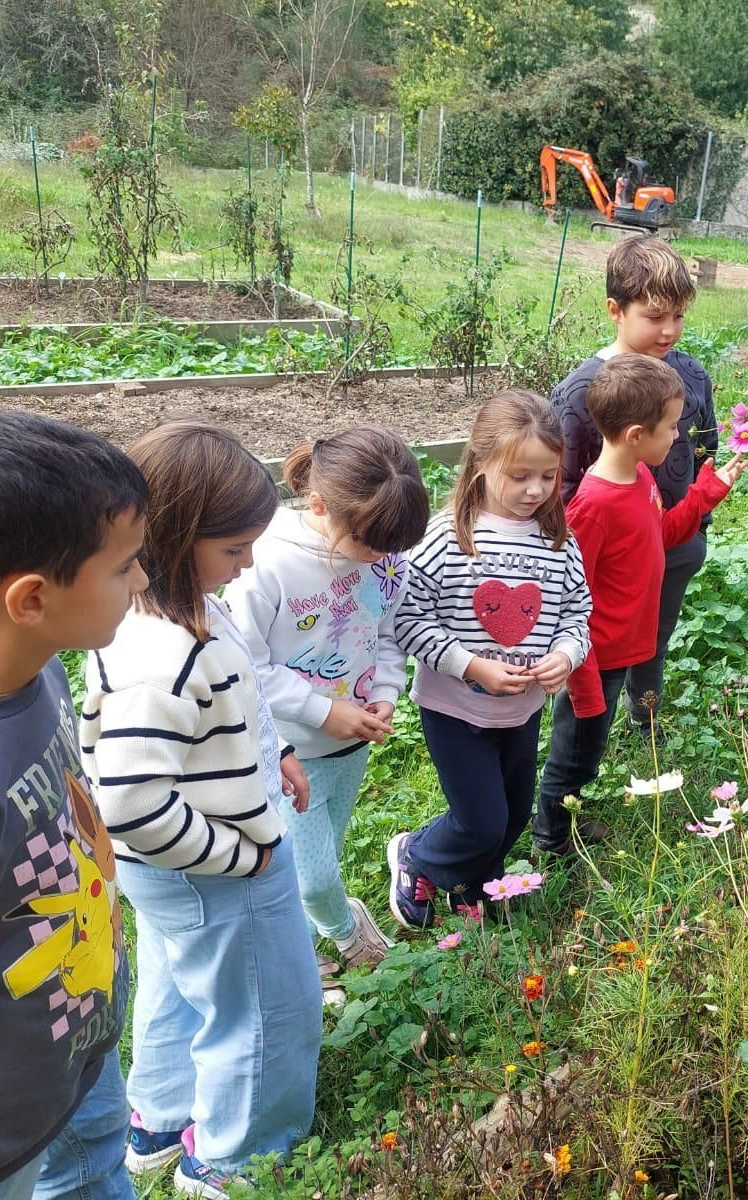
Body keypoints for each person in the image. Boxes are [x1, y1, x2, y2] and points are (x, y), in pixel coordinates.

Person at [81, 423, 321, 1200]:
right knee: (263, 1007)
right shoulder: (172, 656)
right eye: (234, 547)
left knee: (181, 982)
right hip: (215, 868)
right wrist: (234, 856)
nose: (248, 561)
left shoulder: (165, 616)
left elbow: (233, 709)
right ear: (179, 537)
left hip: (180, 873)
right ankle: (237, 1151)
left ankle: (158, 1116)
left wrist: (275, 749)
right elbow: (128, 802)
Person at [0, 410, 145, 1200]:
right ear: (30, 598)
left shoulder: (41, 665)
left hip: (72, 1056)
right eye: (124, 567)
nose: (143, 583)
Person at [227, 426, 429, 997]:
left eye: (393, 548)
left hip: (353, 741)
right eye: (371, 546)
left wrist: (385, 693)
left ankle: (297, 940)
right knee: (310, 874)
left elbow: (387, 634)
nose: (384, 558)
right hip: (291, 747)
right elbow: (246, 665)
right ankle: (345, 935)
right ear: (318, 505)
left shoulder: (387, 555)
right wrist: (322, 711)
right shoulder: (266, 564)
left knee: (324, 855)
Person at [387, 390, 592, 930]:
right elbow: (407, 619)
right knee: (481, 821)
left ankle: (473, 893)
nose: (535, 490)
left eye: (548, 476)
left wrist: (565, 654)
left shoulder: (558, 542)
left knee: (512, 815)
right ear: (479, 464)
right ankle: (416, 855)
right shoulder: (447, 539)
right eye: (520, 474)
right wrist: (470, 666)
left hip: (520, 713)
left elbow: (577, 612)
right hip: (454, 709)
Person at [534, 354, 743, 857]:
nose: (677, 437)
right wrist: (582, 681)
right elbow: (566, 600)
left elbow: (664, 534)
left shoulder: (640, 480)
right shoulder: (595, 506)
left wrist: (707, 492)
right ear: (634, 434)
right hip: (595, 657)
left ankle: (564, 816)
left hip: (623, 648)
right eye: (670, 427)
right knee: (577, 751)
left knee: (591, 746)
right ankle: (551, 835)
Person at [550, 237, 717, 737]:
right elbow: (561, 485)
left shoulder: (690, 375)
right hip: (606, 559)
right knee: (596, 648)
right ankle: (580, 737)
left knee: (655, 633)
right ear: (615, 311)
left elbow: (707, 447)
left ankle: (645, 714)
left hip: (676, 541)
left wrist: (698, 521)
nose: (669, 330)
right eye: (655, 316)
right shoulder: (583, 393)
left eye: (680, 316)